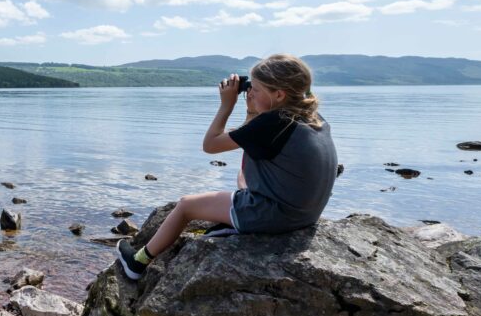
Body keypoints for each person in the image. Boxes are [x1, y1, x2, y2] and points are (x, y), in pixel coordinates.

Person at [117, 53, 338, 280]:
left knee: (185, 206)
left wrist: (226, 105)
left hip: (278, 216)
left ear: (279, 94)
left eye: (257, 89)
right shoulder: (312, 116)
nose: (250, 92)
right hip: (305, 214)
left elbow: (210, 145)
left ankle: (138, 262)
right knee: (242, 176)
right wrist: (253, 110)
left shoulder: (273, 122)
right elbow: (252, 136)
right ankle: (239, 218)